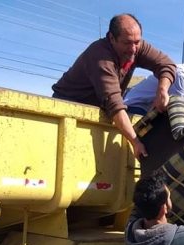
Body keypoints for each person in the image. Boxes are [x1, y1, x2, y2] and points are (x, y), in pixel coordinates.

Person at [51, 13, 176, 159]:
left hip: (98, 108)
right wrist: (135, 142)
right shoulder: (100, 56)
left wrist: (161, 91)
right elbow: (114, 103)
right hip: (68, 105)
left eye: (137, 42)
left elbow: (167, 64)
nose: (133, 49)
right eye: (127, 43)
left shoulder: (137, 47)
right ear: (111, 38)